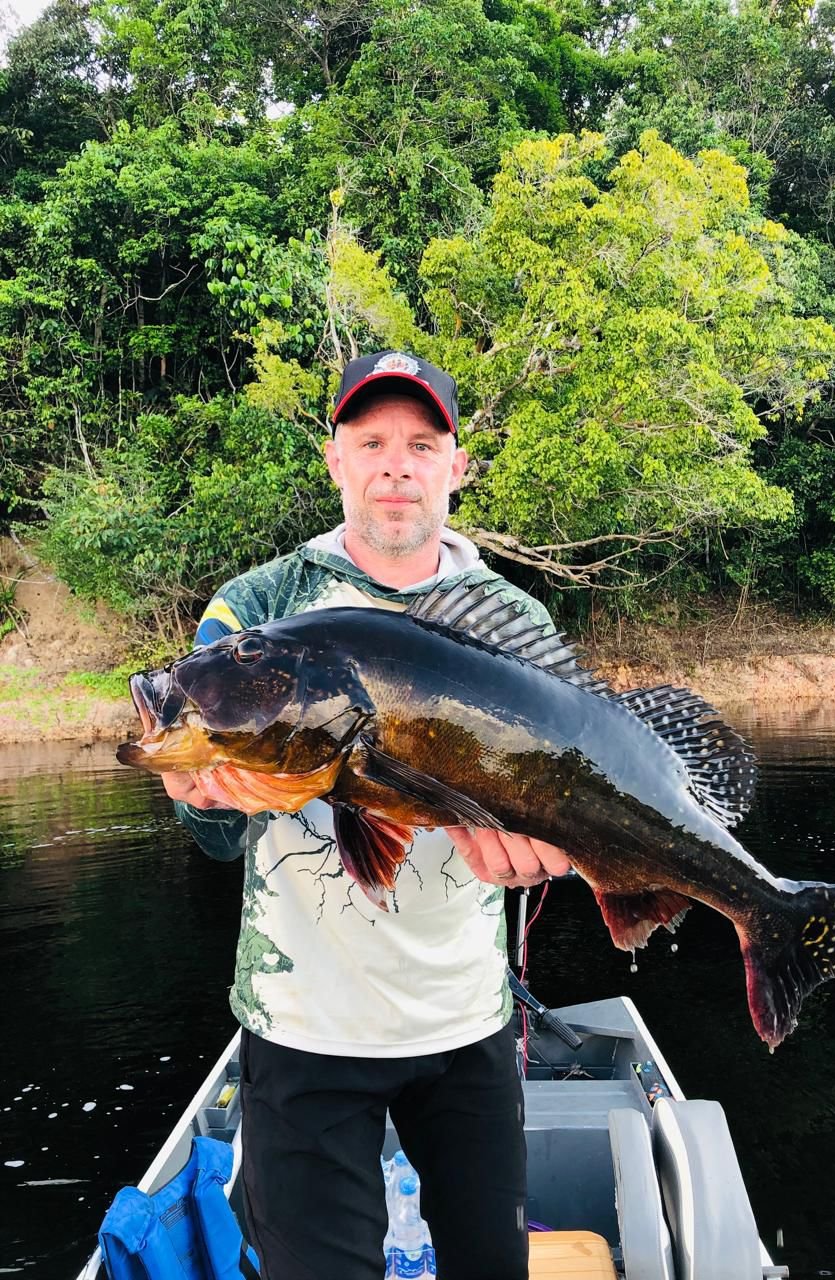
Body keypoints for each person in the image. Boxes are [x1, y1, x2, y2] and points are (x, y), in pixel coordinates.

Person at [163, 350, 572, 1280]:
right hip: (305, 1029)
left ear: (456, 467)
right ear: (334, 458)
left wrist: (549, 857)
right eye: (373, 441)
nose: (397, 464)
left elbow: (564, 800)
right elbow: (216, 833)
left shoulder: (513, 621)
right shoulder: (257, 610)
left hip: (468, 1022)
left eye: (422, 444)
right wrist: (196, 792)